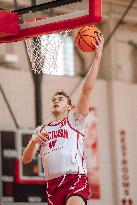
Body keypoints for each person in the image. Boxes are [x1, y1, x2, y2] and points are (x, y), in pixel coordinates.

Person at [22, 34, 104, 205]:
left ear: (68, 106)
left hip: (75, 178)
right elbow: (26, 159)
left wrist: (97, 58)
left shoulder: (75, 121)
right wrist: (32, 142)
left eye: (60, 99)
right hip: (52, 186)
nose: (55, 101)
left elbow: (87, 90)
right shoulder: (41, 130)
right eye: (53, 99)